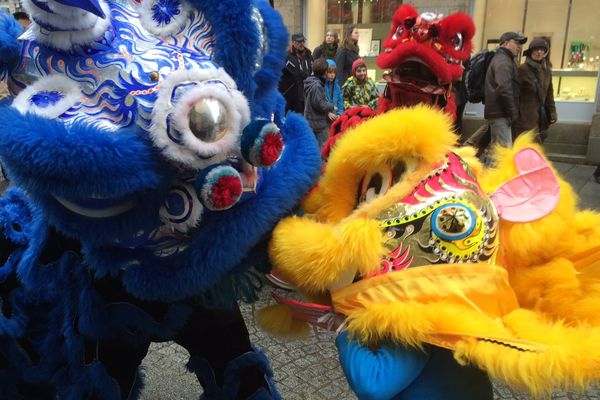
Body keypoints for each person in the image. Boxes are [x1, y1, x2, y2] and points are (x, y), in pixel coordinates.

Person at [483, 31, 527, 165]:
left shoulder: (504, 59)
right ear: (506, 43)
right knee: (503, 152)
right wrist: (512, 112)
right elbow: (504, 88)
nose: (519, 46)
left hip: (499, 112)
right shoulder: (503, 61)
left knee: (496, 151)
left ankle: (486, 179)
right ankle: (492, 182)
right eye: (517, 42)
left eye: (521, 44)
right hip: (500, 113)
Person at [512, 37, 557, 143]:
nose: (539, 52)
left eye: (543, 50)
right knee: (528, 146)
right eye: (536, 49)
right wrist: (515, 116)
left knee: (539, 142)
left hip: (541, 117)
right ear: (530, 51)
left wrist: (552, 112)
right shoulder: (522, 70)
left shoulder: (546, 71)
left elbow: (549, 94)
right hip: (524, 117)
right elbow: (514, 94)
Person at [304, 57, 336, 148]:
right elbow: (320, 105)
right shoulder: (317, 86)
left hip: (311, 120)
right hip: (316, 123)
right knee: (318, 147)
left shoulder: (311, 81)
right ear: (325, 72)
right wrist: (332, 106)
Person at [278, 33, 313, 113]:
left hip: (306, 93)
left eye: (302, 41)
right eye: (298, 42)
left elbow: (311, 70)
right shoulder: (287, 56)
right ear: (293, 43)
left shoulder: (308, 55)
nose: (301, 44)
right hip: (292, 95)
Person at [324, 59, 344, 124]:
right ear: (325, 73)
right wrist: (327, 113)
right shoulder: (322, 86)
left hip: (335, 118)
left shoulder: (337, 87)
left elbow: (340, 102)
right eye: (330, 72)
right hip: (324, 118)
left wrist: (339, 114)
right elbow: (320, 103)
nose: (332, 75)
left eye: (334, 72)